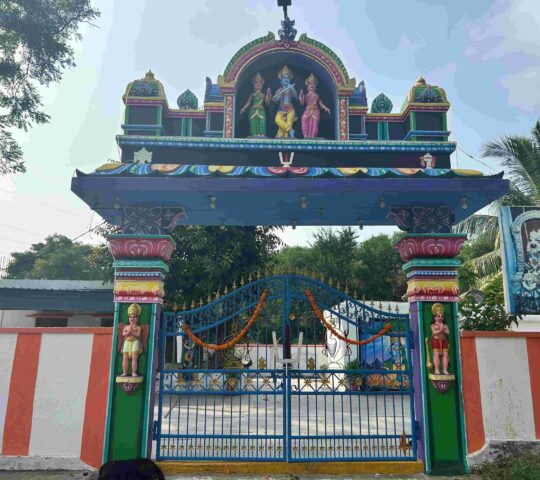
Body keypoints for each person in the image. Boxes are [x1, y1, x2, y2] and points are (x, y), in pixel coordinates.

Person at [270, 65, 299, 138]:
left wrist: (293, 89)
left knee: (289, 122)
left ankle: (287, 137)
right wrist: (276, 97)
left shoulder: (290, 88)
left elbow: (296, 97)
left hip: (290, 110)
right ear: (281, 80)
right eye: (284, 78)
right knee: (277, 120)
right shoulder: (279, 90)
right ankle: (290, 130)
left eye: (287, 78)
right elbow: (275, 101)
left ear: (290, 80)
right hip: (281, 110)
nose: (286, 79)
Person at [299, 73, 330, 138]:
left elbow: (320, 104)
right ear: (307, 86)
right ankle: (306, 136)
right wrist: (301, 96)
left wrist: (325, 108)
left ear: (315, 86)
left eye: (313, 84)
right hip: (308, 109)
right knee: (303, 119)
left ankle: (313, 137)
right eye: (310, 84)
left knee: (315, 123)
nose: (311, 86)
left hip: (316, 110)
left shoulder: (317, 95)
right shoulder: (306, 95)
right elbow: (302, 103)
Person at [239, 72, 269, 137]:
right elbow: (248, 103)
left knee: (261, 122)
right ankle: (254, 135)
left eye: (260, 83)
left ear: (262, 85)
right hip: (253, 110)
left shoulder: (263, 95)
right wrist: (243, 108)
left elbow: (267, 102)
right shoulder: (252, 95)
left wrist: (268, 94)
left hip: (261, 111)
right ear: (253, 85)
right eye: (256, 83)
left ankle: (262, 135)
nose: (258, 84)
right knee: (253, 122)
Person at [122, 303, 142, 377]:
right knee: (125, 357)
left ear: (137, 318)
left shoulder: (138, 327)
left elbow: (137, 335)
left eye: (134, 317)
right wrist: (128, 331)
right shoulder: (126, 326)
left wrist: (131, 331)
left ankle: (134, 372)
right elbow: (123, 334)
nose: (132, 319)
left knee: (134, 358)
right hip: (127, 341)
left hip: (134, 342)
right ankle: (124, 372)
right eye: (130, 317)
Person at [430, 303, 450, 375]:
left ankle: (445, 370)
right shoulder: (433, 325)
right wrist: (441, 329)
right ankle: (437, 369)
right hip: (436, 339)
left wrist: (442, 329)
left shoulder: (444, 325)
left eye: (442, 316)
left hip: (444, 340)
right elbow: (434, 332)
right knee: (436, 354)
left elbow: (448, 332)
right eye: (438, 316)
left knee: (445, 354)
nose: (440, 317)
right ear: (435, 317)